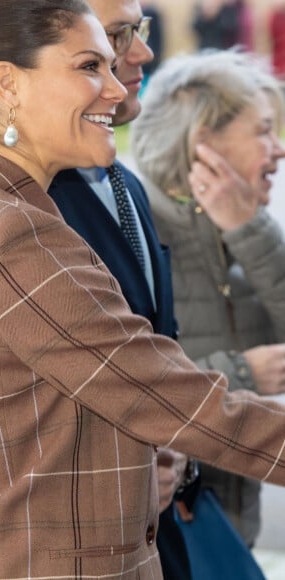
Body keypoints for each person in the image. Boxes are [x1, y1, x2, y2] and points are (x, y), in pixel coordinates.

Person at [0, 1, 285, 577]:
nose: (114, 89)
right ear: (8, 84)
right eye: (87, 67)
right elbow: (166, 392)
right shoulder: (17, 234)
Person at [48, 1, 191, 577]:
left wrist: (174, 455)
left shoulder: (122, 180)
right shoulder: (19, 213)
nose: (140, 54)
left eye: (139, 31)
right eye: (110, 41)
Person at [131, 49, 285, 549]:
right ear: (204, 145)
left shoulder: (238, 230)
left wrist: (250, 230)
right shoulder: (137, 234)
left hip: (233, 528)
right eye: (262, 130)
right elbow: (119, 385)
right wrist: (240, 373)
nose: (278, 148)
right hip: (169, 538)